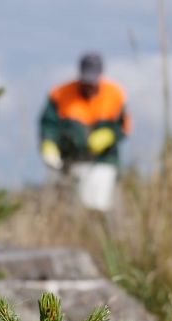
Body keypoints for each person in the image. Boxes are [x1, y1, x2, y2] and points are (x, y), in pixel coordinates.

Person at [39, 52, 131, 211]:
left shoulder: (114, 94)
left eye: (93, 80)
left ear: (100, 75)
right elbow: (48, 124)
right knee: (64, 208)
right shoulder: (61, 94)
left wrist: (109, 135)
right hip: (68, 162)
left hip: (102, 161)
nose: (89, 86)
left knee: (94, 207)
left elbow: (124, 124)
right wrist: (48, 144)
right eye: (86, 80)